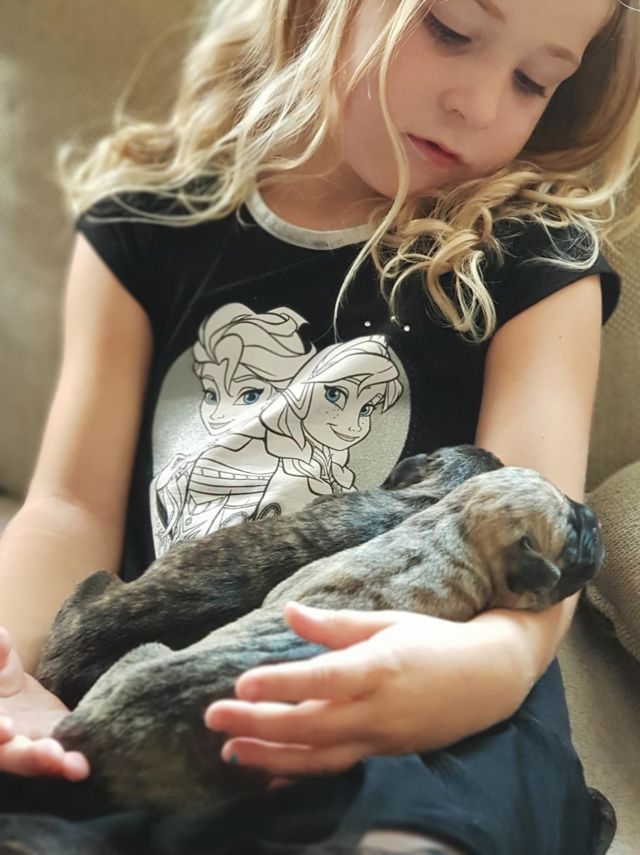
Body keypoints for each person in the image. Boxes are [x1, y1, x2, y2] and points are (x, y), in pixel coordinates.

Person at [0, 0, 637, 852]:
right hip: (170, 685)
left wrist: (491, 667)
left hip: (427, 688)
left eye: (532, 81)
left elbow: (536, 533)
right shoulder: (144, 225)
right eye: (450, 29)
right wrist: (13, 671)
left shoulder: (533, 254)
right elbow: (68, 508)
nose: (480, 104)